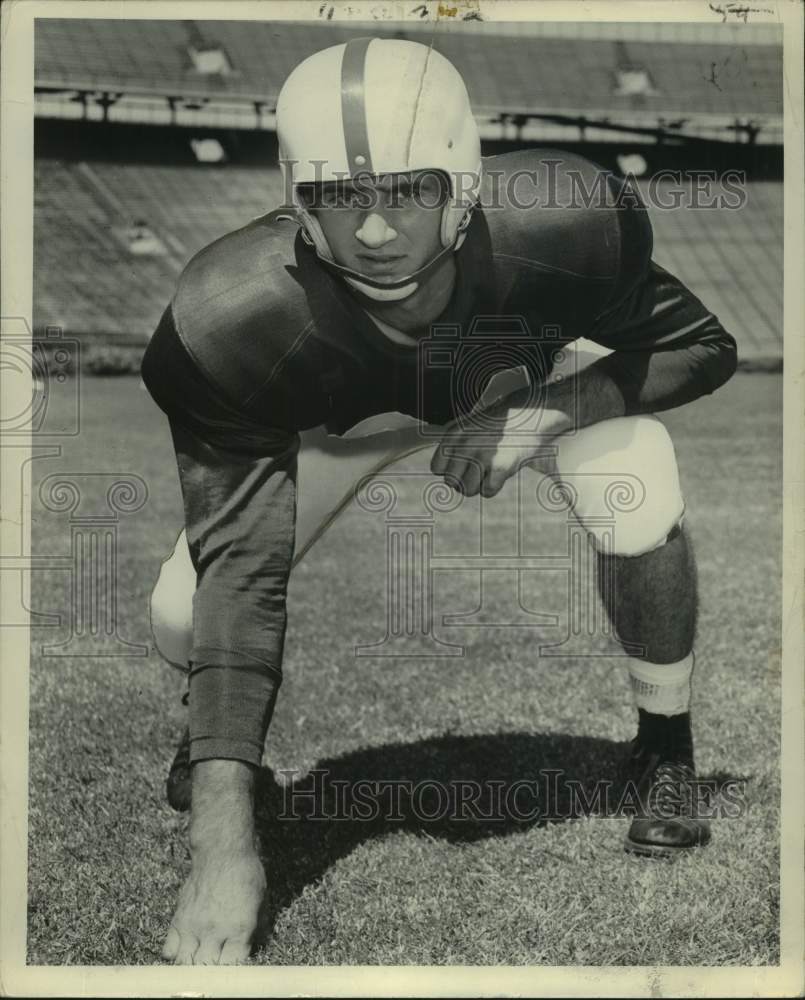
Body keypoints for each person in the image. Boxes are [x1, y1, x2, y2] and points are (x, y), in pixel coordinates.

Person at [141, 37, 737, 965]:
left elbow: (701, 345)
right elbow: (243, 576)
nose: (374, 234)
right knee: (180, 609)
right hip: (336, 428)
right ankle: (216, 754)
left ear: (464, 182)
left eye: (408, 190)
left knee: (638, 474)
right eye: (339, 196)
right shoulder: (231, 321)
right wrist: (223, 851)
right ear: (299, 198)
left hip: (511, 390)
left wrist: (546, 411)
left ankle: (665, 747)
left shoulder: (567, 221)